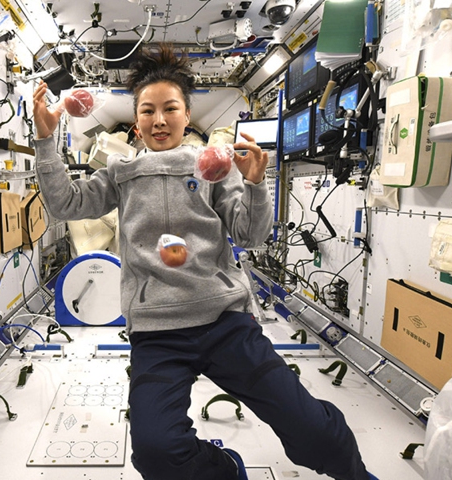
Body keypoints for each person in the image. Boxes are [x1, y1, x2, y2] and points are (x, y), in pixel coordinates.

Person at [32, 44, 375, 480]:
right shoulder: (122, 173)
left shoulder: (212, 166)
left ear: (187, 113)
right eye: (148, 110)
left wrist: (254, 183)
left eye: (170, 108)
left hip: (225, 322)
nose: (159, 120)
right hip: (157, 334)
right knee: (157, 452)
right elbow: (65, 203)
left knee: (312, 430)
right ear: (136, 121)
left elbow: (249, 235)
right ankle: (224, 469)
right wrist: (46, 141)